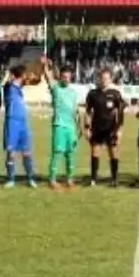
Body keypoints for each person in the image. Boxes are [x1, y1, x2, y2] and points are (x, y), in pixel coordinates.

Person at [42, 58, 82, 190]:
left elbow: (76, 111)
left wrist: (79, 126)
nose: (67, 79)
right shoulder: (56, 88)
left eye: (69, 77)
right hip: (59, 125)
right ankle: (52, 180)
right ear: (61, 77)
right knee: (57, 153)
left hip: (71, 128)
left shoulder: (73, 92)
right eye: (64, 76)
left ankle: (70, 180)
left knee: (70, 154)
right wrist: (45, 65)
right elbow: (48, 77)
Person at [84, 68, 125, 187]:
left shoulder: (115, 94)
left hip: (111, 129)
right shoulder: (92, 94)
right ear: (99, 78)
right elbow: (87, 112)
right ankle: (93, 179)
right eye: (102, 78)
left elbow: (120, 113)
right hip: (97, 128)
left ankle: (114, 178)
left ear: (110, 79)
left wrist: (120, 130)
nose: (104, 81)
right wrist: (87, 128)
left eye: (106, 78)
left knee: (113, 153)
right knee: (95, 152)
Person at [2, 65, 35, 188]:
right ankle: (11, 179)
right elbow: (3, 84)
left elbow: (34, 80)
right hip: (12, 123)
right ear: (21, 75)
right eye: (25, 73)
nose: (27, 75)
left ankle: (30, 178)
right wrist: (8, 73)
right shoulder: (8, 87)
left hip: (23, 122)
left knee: (27, 152)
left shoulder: (20, 87)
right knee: (11, 153)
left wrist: (43, 66)